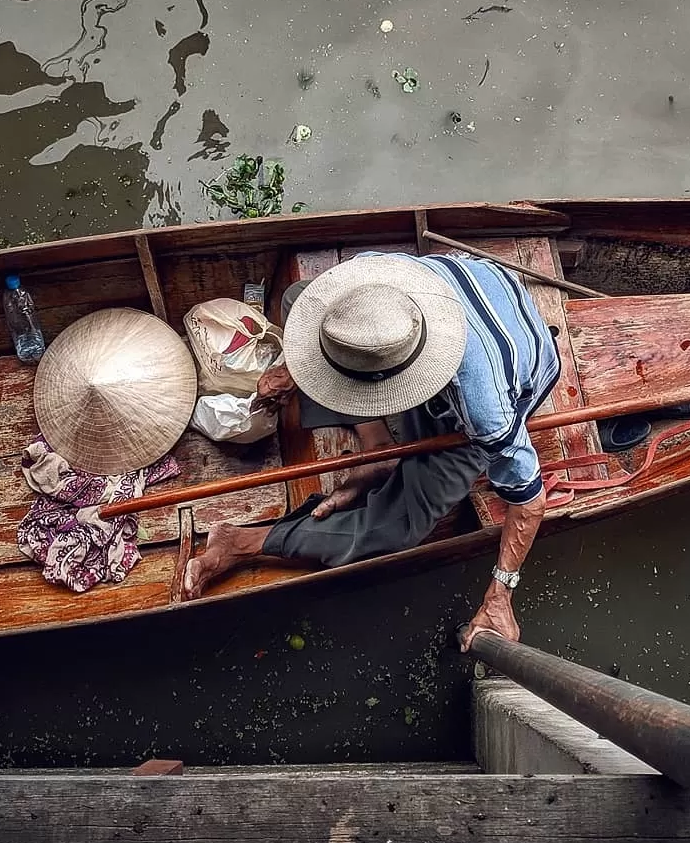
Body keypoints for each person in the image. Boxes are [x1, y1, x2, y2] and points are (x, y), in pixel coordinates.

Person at [182, 252, 559, 648]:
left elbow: (530, 501)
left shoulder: (485, 410)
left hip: (469, 403)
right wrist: (296, 370)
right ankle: (379, 444)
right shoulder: (377, 274)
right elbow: (331, 327)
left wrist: (500, 593)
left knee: (400, 525)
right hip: (464, 314)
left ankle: (243, 542)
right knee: (299, 298)